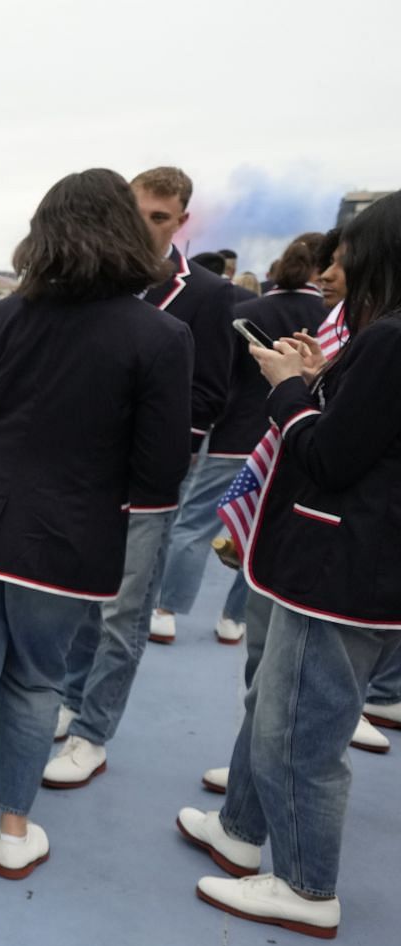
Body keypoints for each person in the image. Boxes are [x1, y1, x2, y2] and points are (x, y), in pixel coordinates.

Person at [0, 169, 191, 879]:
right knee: (37, 684)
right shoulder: (162, 336)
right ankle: (14, 827)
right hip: (67, 543)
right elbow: (161, 471)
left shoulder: (6, 316)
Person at [177, 194, 401, 938]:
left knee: (300, 732)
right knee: (278, 708)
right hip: (361, 564)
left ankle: (307, 887)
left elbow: (330, 456)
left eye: (349, 254)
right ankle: (240, 828)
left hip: (338, 569)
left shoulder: (388, 341)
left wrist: (287, 390)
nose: (338, 269)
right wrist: (317, 381)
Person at [44, 165, 232, 787]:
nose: (146, 226)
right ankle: (71, 698)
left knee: (124, 614)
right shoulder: (90, 284)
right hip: (81, 477)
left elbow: (207, 397)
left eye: (160, 217)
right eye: (137, 212)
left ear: (181, 222)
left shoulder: (205, 293)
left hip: (147, 483)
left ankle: (94, 733)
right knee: (78, 598)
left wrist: (142, 442)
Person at [152, 231, 328, 644]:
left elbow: (219, 377)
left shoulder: (247, 310)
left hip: (235, 435)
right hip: (292, 439)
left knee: (193, 525)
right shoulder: (330, 319)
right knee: (262, 532)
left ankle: (166, 612)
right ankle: (234, 619)